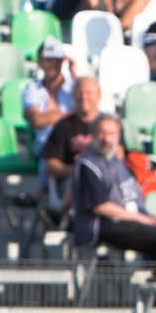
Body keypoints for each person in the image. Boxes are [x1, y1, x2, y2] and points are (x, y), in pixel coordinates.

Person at [71, 114, 156, 261]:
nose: (106, 139)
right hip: (103, 226)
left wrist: (153, 219)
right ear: (92, 135)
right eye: (101, 133)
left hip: (129, 220)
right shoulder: (89, 164)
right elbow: (101, 207)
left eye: (111, 133)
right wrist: (142, 219)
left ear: (118, 136)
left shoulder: (117, 162)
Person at [40, 76, 103, 217]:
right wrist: (77, 170)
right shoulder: (64, 125)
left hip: (105, 182)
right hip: (72, 185)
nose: (84, 97)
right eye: (80, 92)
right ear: (73, 96)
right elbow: (51, 166)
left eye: (89, 92)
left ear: (99, 96)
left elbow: (119, 155)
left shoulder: (108, 125)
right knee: (84, 179)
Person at [21, 38, 76, 157]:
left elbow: (89, 112)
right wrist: (72, 116)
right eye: (48, 60)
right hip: (47, 146)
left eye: (56, 59)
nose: (53, 64)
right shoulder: (32, 88)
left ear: (63, 61)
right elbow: (37, 120)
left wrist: (74, 75)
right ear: (39, 62)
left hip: (74, 145)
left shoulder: (75, 86)